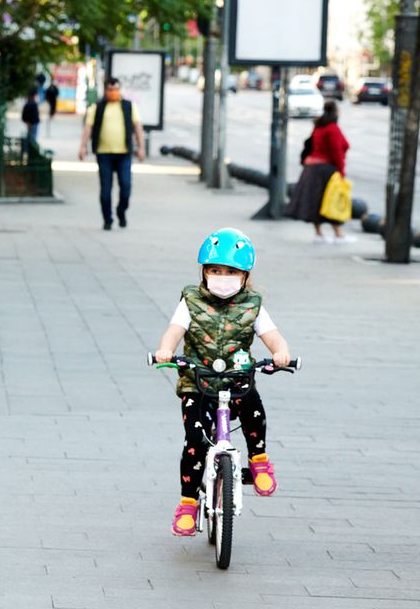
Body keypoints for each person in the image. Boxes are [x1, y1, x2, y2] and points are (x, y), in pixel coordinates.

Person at [153, 229, 292, 537]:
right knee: (195, 442)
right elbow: (175, 330)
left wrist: (280, 353)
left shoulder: (253, 305)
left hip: (236, 378)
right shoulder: (190, 300)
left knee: (252, 408)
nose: (222, 276)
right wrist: (166, 350)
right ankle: (188, 503)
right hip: (197, 381)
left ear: (245, 276)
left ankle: (259, 459)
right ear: (204, 272)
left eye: (231, 271)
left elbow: (271, 336)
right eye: (215, 270)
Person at [78, 77, 147, 230]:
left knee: (126, 185)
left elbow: (137, 127)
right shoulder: (98, 107)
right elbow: (88, 128)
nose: (113, 92)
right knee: (105, 190)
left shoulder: (128, 106)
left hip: (124, 154)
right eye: (110, 89)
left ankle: (121, 211)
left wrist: (141, 148)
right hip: (104, 154)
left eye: (116, 89)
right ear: (105, 90)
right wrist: (83, 147)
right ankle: (107, 219)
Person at [286, 100, 354, 244]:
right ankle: (338, 234)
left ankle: (318, 234)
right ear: (336, 112)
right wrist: (341, 171)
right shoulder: (332, 129)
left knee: (315, 202)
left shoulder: (318, 126)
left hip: (311, 168)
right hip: (326, 170)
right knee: (332, 201)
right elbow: (336, 152)